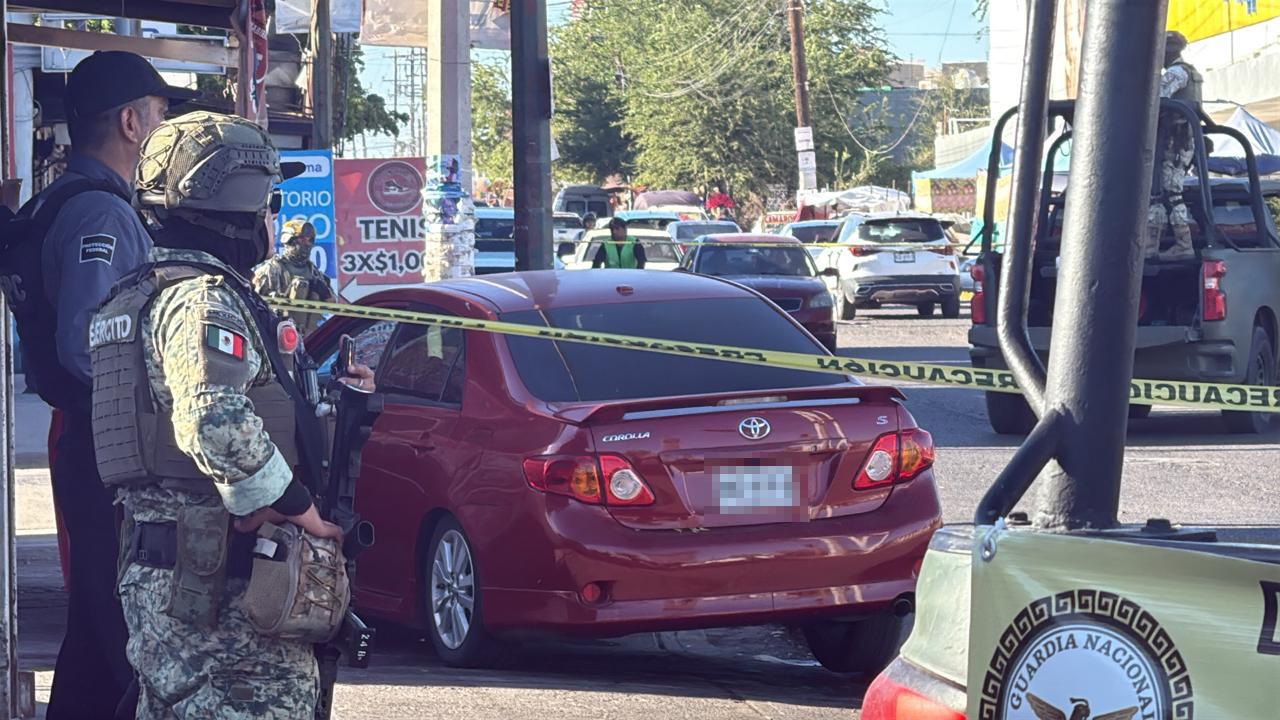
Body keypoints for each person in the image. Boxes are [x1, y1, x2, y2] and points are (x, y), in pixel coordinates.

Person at [90, 111, 362, 718]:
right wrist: (296, 507)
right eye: (266, 206)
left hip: (176, 579)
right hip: (224, 597)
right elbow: (214, 418)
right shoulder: (201, 298)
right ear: (238, 207)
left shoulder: (143, 294)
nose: (272, 221)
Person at [23, 50, 197, 720]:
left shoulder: (85, 202)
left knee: (98, 644)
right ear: (131, 122)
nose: (164, 132)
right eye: (159, 117)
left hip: (96, 447)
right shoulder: (101, 215)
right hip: (108, 448)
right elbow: (83, 343)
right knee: (127, 637)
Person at [1146, 30, 1202, 262]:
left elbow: (1155, 98)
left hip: (1174, 140)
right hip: (1179, 139)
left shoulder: (1176, 73)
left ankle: (1182, 244)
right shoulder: (1191, 72)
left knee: (1169, 191)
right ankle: (1151, 245)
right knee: (1159, 192)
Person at [252, 219, 337, 334]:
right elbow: (253, 303)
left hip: (309, 339)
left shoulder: (314, 273)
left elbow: (333, 306)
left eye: (309, 240)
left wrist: (324, 292)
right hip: (278, 336)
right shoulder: (271, 270)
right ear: (290, 241)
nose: (306, 244)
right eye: (302, 239)